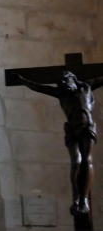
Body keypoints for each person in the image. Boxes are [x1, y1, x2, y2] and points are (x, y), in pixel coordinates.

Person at [12, 71, 103, 218]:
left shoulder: (86, 87)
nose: (61, 84)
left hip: (87, 127)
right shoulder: (60, 93)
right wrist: (22, 80)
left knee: (87, 159)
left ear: (72, 79)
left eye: (63, 81)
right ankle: (77, 198)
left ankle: (84, 198)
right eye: (59, 83)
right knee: (76, 160)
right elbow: (39, 88)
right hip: (71, 129)